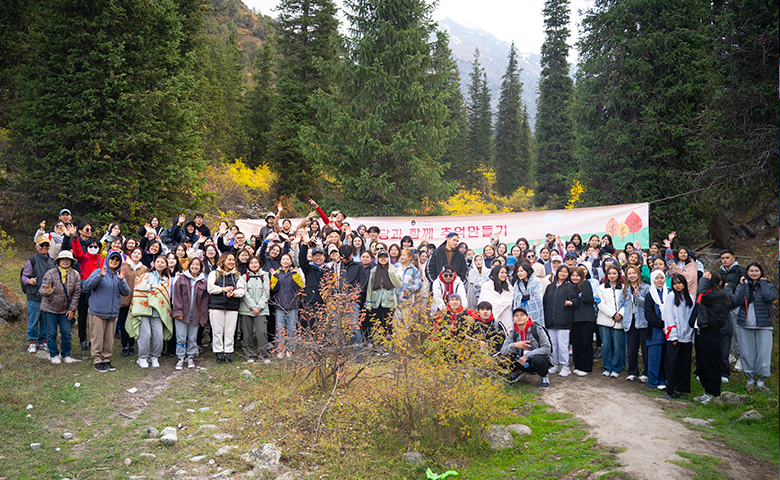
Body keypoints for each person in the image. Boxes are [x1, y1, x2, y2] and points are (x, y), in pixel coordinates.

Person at [730, 262, 776, 392]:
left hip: (764, 324)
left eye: (757, 271)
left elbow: (770, 298)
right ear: (747, 273)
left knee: (763, 353)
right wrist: (741, 285)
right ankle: (749, 378)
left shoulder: (768, 286)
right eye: (751, 271)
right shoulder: (744, 285)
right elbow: (736, 301)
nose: (754, 273)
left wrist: (764, 284)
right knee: (746, 352)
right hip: (745, 324)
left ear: (761, 272)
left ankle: (761, 379)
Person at [80, 251, 129, 372]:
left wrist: (121, 280)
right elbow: (86, 286)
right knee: (97, 337)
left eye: (117, 260)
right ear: (108, 259)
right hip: (98, 310)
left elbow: (126, 292)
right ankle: (97, 360)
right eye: (112, 259)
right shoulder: (98, 271)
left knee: (109, 338)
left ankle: (106, 358)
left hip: (112, 312)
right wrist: (100, 276)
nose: (114, 261)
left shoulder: (119, 275)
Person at [691, 271, 729, 404]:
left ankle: (714, 392)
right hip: (701, 331)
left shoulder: (717, 295)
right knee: (701, 363)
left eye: (707, 277)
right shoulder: (708, 294)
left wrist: (703, 280)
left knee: (711, 363)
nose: (703, 278)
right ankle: (707, 391)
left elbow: (700, 292)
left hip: (711, 332)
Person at [129, 255, 173, 368]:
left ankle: (155, 356)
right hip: (144, 308)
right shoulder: (147, 274)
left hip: (158, 310)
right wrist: (154, 286)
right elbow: (139, 286)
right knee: (146, 334)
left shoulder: (167, 278)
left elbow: (166, 295)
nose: (159, 264)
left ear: (166, 265)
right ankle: (142, 357)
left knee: (159, 335)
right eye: (157, 262)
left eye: (162, 262)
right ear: (153, 263)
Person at [39, 250, 82, 364]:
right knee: (51, 333)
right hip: (49, 308)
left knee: (66, 333)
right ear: (58, 261)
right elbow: (41, 289)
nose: (65, 261)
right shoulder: (50, 273)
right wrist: (46, 292)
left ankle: (66, 354)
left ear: (71, 261)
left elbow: (77, 293)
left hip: (65, 310)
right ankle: (54, 354)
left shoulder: (75, 274)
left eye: (68, 259)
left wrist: (72, 309)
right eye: (63, 259)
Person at [207, 252, 246, 364]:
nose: (231, 262)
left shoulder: (237, 276)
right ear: (223, 261)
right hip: (216, 306)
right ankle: (218, 352)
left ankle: (228, 352)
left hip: (232, 307)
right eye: (229, 259)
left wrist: (233, 293)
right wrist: (222, 289)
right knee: (217, 331)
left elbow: (241, 291)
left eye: (233, 260)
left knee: (230, 331)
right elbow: (210, 288)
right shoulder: (214, 273)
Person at [172, 258, 209, 370]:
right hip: (182, 314)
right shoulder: (181, 278)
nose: (195, 267)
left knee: (192, 337)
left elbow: (204, 302)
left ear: (200, 267)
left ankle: (190, 356)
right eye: (193, 265)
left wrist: (203, 317)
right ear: (189, 266)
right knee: (181, 337)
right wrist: (178, 311)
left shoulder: (203, 281)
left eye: (197, 265)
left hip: (195, 314)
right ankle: (180, 357)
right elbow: (176, 296)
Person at [500, 307, 552, 388]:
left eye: (522, 315)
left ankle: (544, 376)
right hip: (520, 359)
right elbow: (503, 350)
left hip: (535, 358)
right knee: (504, 358)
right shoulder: (513, 332)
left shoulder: (537, 329)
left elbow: (546, 348)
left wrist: (527, 356)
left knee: (539, 361)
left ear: (527, 317)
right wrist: (515, 345)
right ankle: (517, 371)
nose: (519, 317)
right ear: (513, 319)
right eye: (516, 316)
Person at [663, 274, 696, 399]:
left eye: (680, 283)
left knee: (684, 363)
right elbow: (669, 316)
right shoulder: (671, 297)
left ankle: (681, 389)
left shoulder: (690, 298)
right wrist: (674, 336)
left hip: (687, 336)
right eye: (675, 283)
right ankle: (670, 389)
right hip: (674, 336)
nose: (678, 285)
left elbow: (692, 318)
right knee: (672, 362)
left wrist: (692, 337)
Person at [22, 236, 56, 353]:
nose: (44, 247)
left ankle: (43, 341)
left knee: (45, 321)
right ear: (37, 246)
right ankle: (32, 341)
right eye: (42, 245)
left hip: (47, 297)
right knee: (33, 320)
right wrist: (29, 281)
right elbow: (24, 276)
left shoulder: (52, 261)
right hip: (34, 296)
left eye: (46, 245)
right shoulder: (31, 261)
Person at [619, 266, 650, 382]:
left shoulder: (646, 288)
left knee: (645, 348)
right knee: (632, 348)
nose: (632, 275)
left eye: (634, 273)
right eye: (629, 274)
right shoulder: (625, 289)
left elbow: (647, 304)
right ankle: (632, 371)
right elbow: (621, 304)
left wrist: (637, 296)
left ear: (638, 274)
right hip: (630, 321)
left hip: (643, 321)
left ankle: (646, 373)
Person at [543, 265, 574, 377]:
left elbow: (574, 299)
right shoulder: (550, 286)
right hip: (551, 320)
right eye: (561, 271)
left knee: (563, 344)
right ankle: (556, 364)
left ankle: (565, 366)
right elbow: (545, 302)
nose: (563, 274)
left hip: (563, 320)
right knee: (553, 344)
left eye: (565, 272)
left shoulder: (569, 287)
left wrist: (571, 302)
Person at [238, 256, 271, 363]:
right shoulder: (244, 277)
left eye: (256, 262)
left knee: (261, 332)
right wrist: (253, 307)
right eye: (251, 263)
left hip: (261, 310)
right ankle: (250, 355)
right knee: (247, 333)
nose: (254, 265)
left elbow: (266, 292)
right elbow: (244, 293)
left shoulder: (265, 276)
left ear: (260, 264)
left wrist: (259, 307)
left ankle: (263, 355)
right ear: (248, 265)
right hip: (247, 309)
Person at [718, 250, 745, 374]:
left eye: (727, 257)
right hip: (723, 307)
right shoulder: (719, 272)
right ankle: (729, 356)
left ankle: (741, 358)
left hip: (736, 306)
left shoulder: (740, 270)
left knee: (737, 333)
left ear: (733, 258)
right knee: (725, 332)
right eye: (723, 258)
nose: (725, 260)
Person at [596, 264, 626, 378]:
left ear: (618, 274)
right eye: (609, 274)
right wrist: (613, 314)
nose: (612, 276)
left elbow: (627, 303)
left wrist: (620, 314)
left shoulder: (624, 287)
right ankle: (607, 367)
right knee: (607, 345)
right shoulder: (601, 288)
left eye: (614, 273)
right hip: (604, 320)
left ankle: (616, 368)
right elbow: (601, 304)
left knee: (618, 346)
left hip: (619, 320)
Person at [270, 253, 302, 357]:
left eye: (287, 259)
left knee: (291, 328)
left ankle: (290, 349)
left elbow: (300, 288)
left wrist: (296, 276)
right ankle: (280, 350)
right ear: (280, 262)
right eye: (283, 259)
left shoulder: (295, 273)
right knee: (279, 327)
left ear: (291, 262)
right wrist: (274, 277)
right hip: (279, 304)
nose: (285, 261)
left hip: (293, 304)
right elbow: (273, 289)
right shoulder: (277, 273)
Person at [366, 249, 403, 339]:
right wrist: (368, 303)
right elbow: (370, 288)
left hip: (389, 302)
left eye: (385, 257)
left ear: (388, 258)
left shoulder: (393, 269)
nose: (383, 259)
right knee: (377, 325)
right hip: (376, 302)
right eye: (380, 257)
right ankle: (377, 346)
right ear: (377, 259)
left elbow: (398, 285)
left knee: (388, 325)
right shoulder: (374, 270)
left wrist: (391, 273)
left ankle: (387, 347)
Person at [644, 270, 670, 389]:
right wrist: (662, 325)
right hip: (656, 331)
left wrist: (668, 325)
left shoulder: (669, 292)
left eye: (662, 278)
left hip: (669, 330)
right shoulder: (650, 295)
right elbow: (649, 315)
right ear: (652, 279)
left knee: (666, 357)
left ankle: (663, 379)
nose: (659, 280)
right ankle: (654, 381)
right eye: (657, 278)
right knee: (654, 357)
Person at [569, 266, 596, 376]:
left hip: (586, 318)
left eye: (577, 276)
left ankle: (586, 367)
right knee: (576, 343)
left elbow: (588, 299)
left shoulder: (586, 284)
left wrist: (576, 298)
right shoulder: (571, 287)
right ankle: (578, 365)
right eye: (573, 276)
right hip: (575, 319)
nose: (575, 278)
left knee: (586, 343)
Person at [119, 247, 145, 356]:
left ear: (141, 256)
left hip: (137, 301)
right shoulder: (124, 265)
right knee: (124, 323)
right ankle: (124, 346)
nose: (136, 255)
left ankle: (132, 345)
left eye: (139, 253)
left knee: (134, 323)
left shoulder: (143, 268)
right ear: (131, 254)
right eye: (135, 253)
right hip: (124, 300)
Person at [478, 265, 514, 333]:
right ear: (496, 273)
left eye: (505, 273)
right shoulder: (486, 286)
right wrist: (501, 303)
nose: (504, 275)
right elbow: (484, 302)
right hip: (490, 317)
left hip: (505, 317)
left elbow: (509, 301)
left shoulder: (509, 287)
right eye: (502, 272)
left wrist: (500, 303)